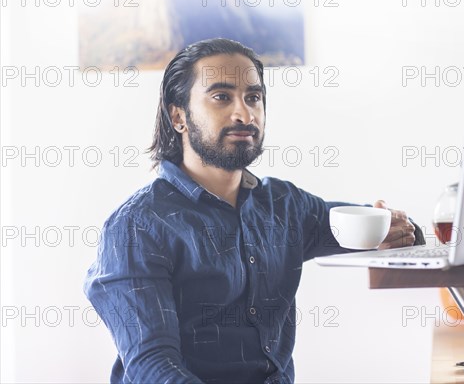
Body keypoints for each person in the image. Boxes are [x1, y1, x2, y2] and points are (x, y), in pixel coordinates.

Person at [84, 38, 425, 384]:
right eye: (221, 97)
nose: (244, 114)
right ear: (178, 116)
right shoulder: (137, 227)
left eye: (253, 97)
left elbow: (363, 224)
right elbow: (152, 368)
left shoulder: (283, 204)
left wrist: (396, 229)